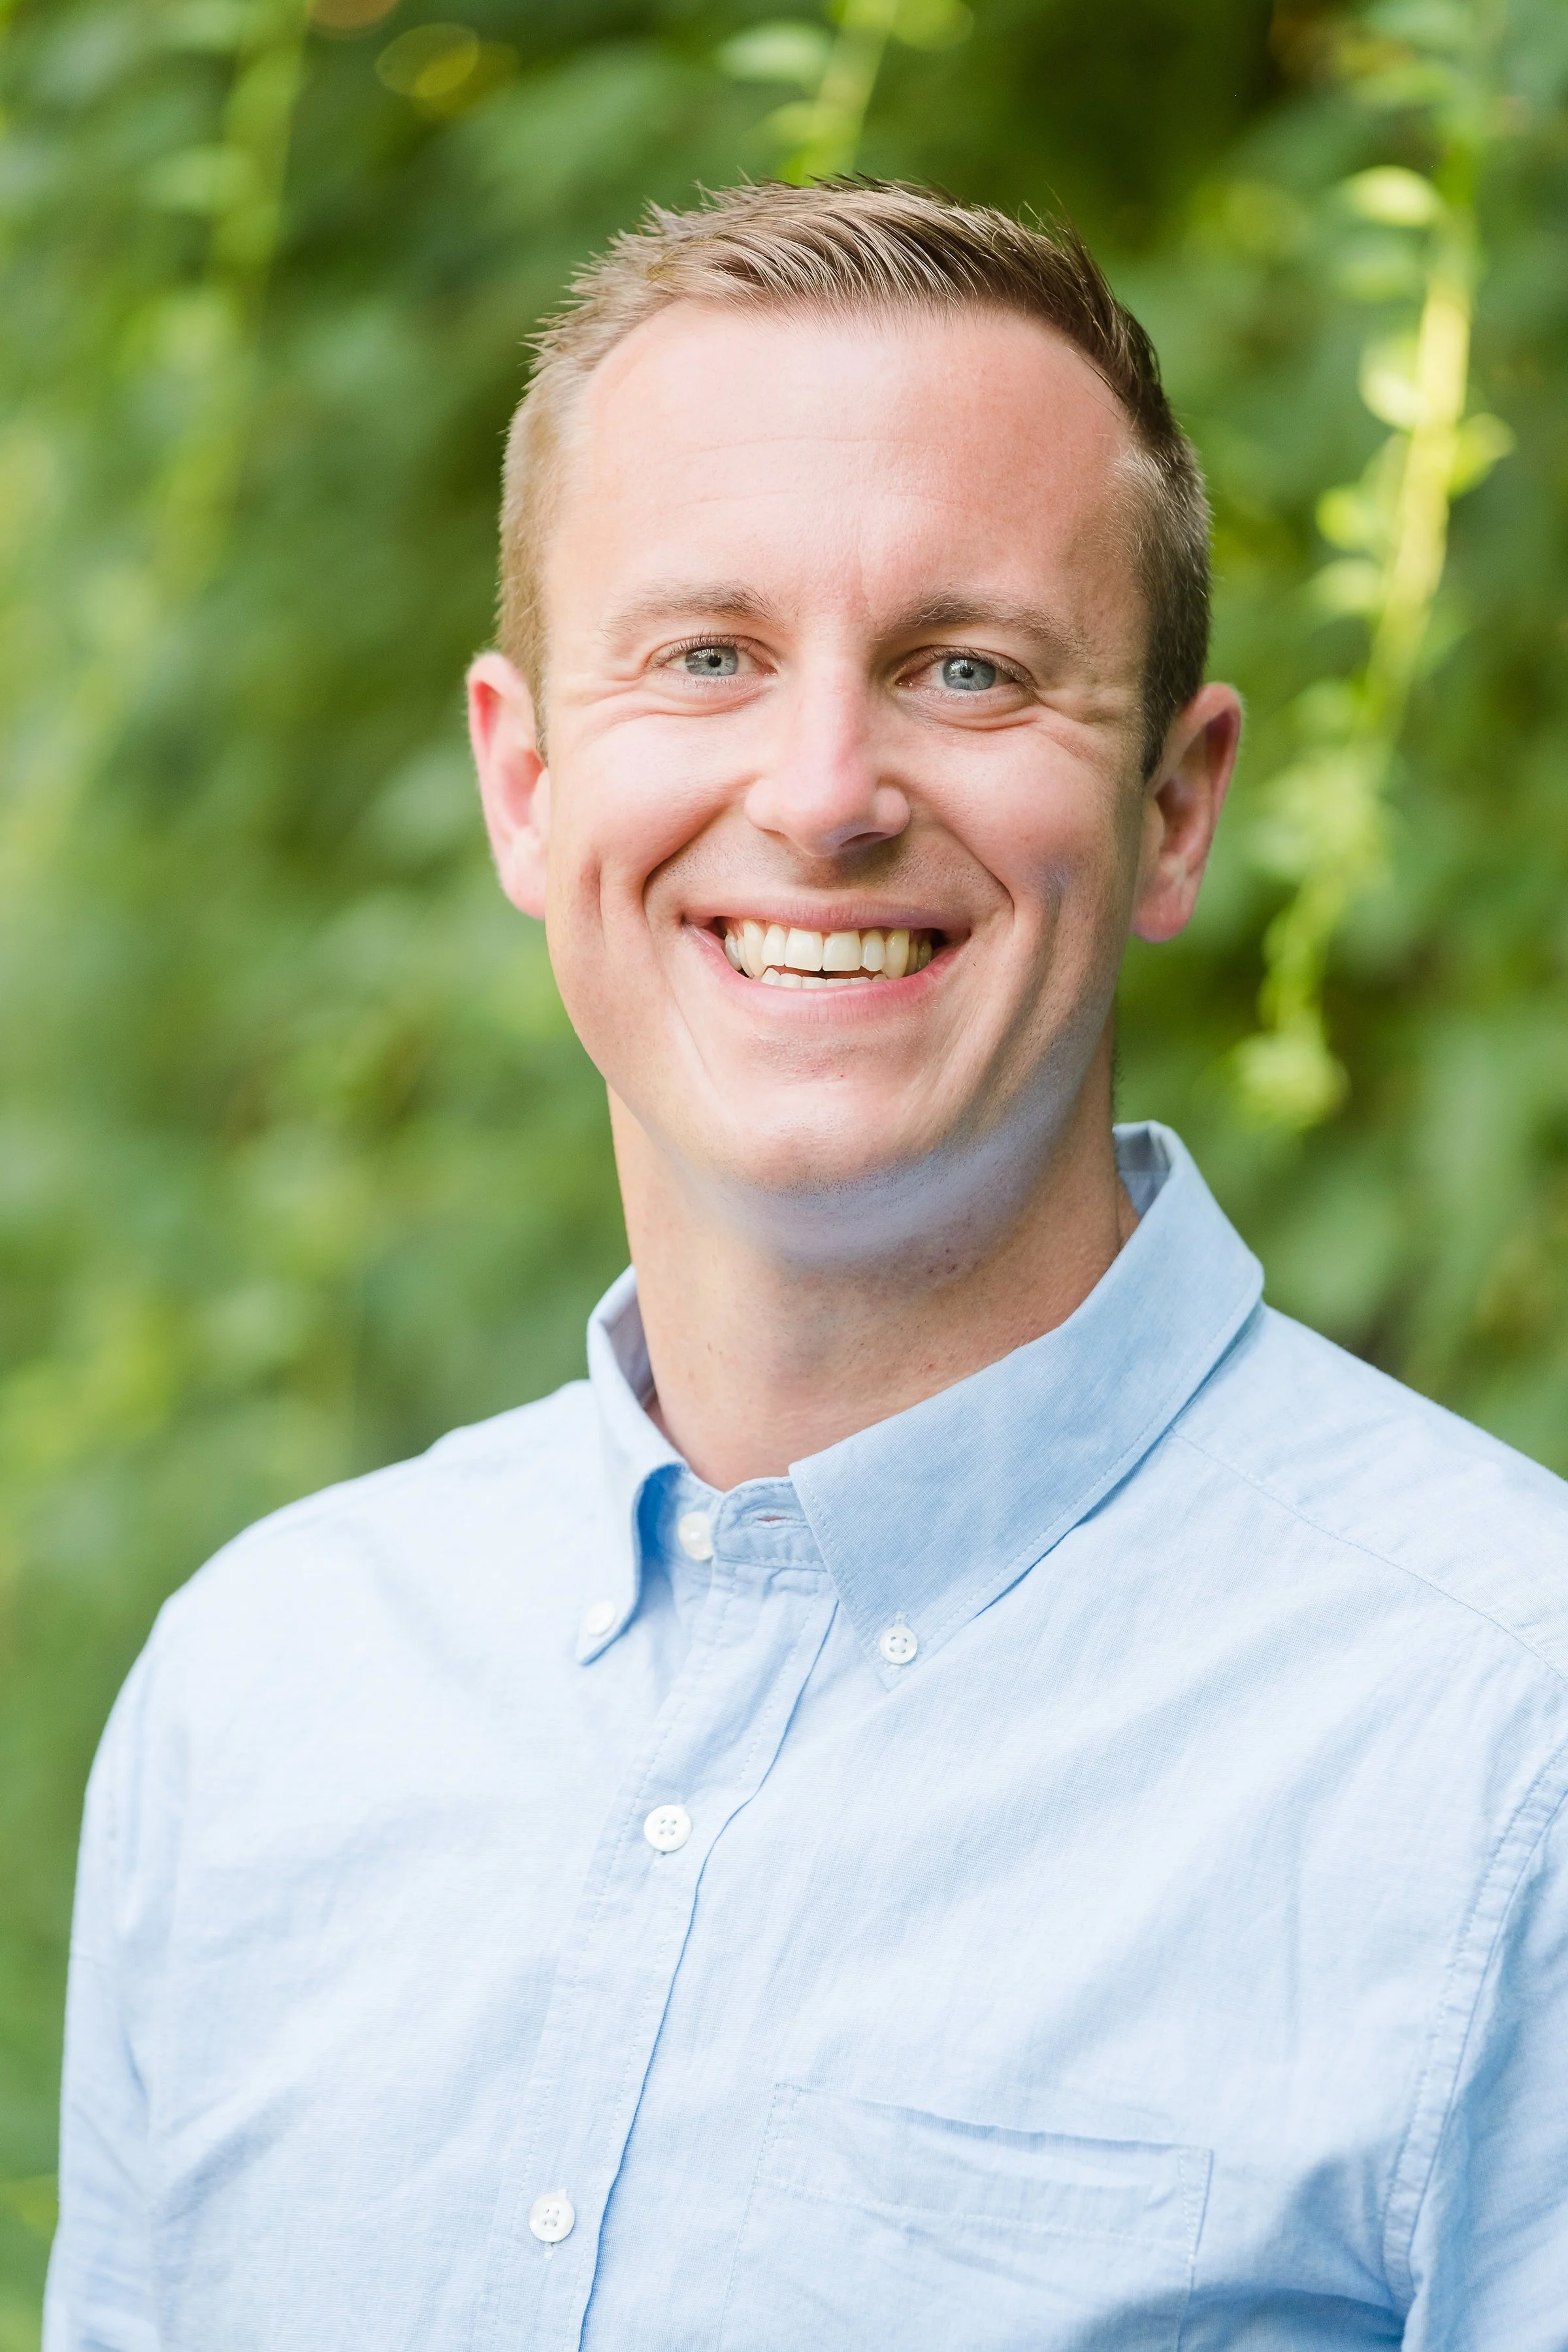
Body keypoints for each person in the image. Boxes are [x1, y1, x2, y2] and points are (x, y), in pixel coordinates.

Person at [45, 181, 1568, 2352]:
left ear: (1173, 808)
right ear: (523, 783)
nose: (828, 790)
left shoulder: (1514, 1747)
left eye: (971, 668)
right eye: (706, 658)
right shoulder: (260, 1699)